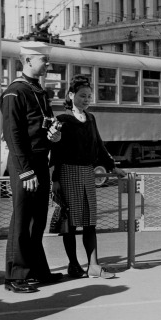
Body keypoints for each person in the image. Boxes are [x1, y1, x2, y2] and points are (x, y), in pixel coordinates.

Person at [0, 41, 63, 294]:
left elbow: (41, 126)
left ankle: (36, 271)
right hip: (24, 162)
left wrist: (53, 136)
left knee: (37, 220)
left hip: (38, 159)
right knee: (23, 219)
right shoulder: (16, 92)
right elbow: (13, 133)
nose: (47, 64)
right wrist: (25, 170)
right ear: (27, 61)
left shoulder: (37, 90)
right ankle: (15, 276)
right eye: (43, 60)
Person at [50, 75, 126, 279]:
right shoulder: (62, 120)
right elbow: (55, 152)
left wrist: (113, 166)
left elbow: (99, 146)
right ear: (71, 95)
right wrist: (55, 180)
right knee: (71, 223)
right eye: (82, 96)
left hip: (87, 172)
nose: (86, 100)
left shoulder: (91, 119)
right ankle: (73, 265)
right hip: (67, 173)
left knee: (90, 221)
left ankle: (93, 265)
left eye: (89, 96)